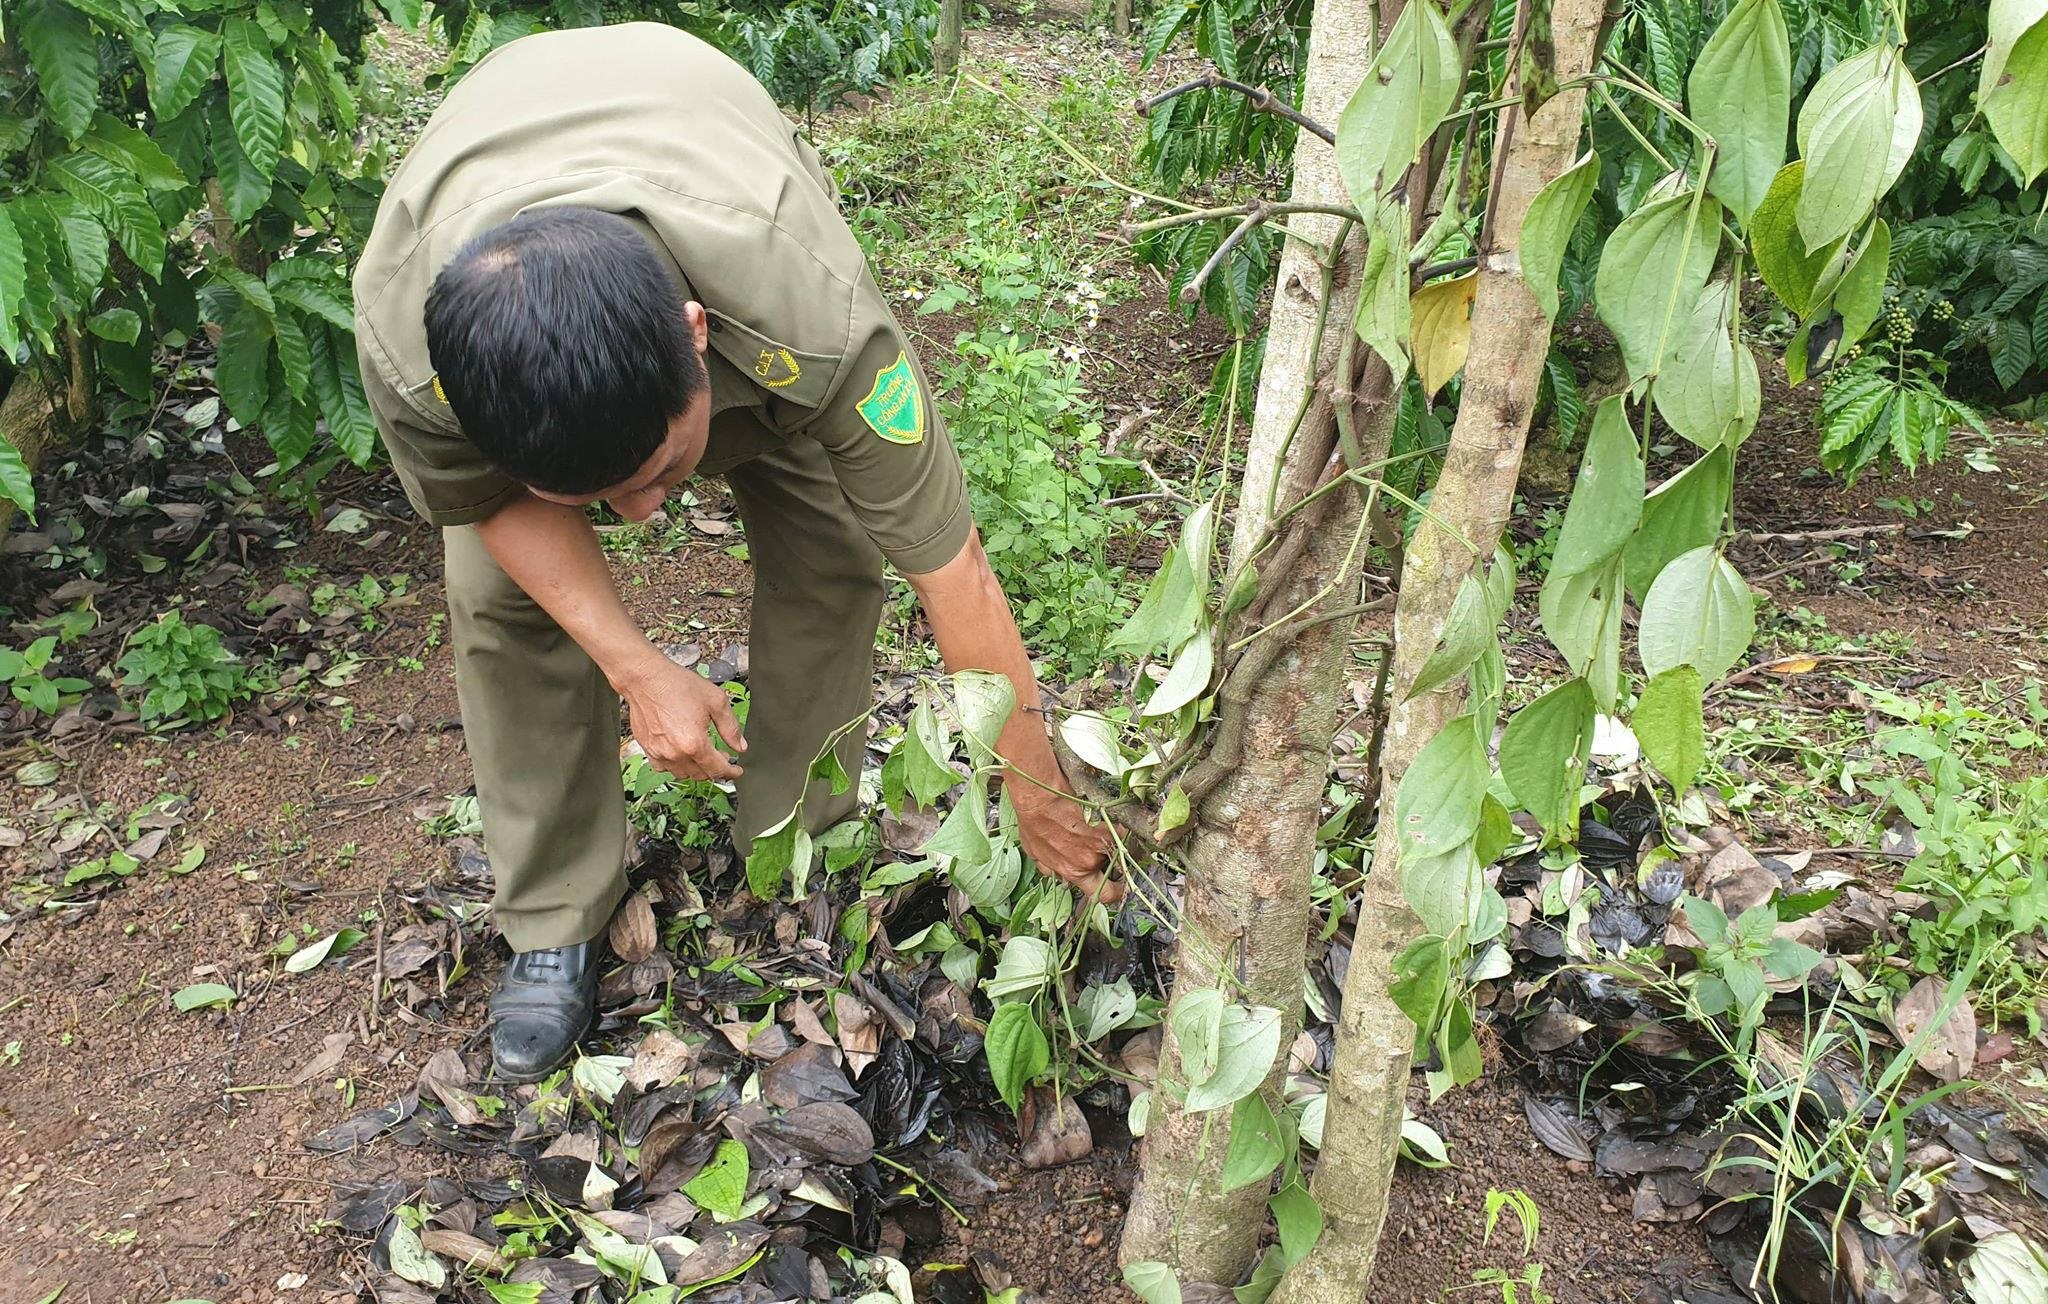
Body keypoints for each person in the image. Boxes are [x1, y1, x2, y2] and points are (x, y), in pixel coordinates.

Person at [353, 22, 1114, 1082]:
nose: (639, 520)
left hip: (702, 152)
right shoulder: (411, 342)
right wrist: (634, 664)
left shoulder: (815, 317)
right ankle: (552, 915)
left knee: (833, 551)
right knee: (503, 602)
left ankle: (793, 848)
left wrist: (1036, 785)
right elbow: (487, 504)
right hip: (497, 190)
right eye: (594, 498)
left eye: (660, 474)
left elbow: (951, 568)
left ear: (697, 336)